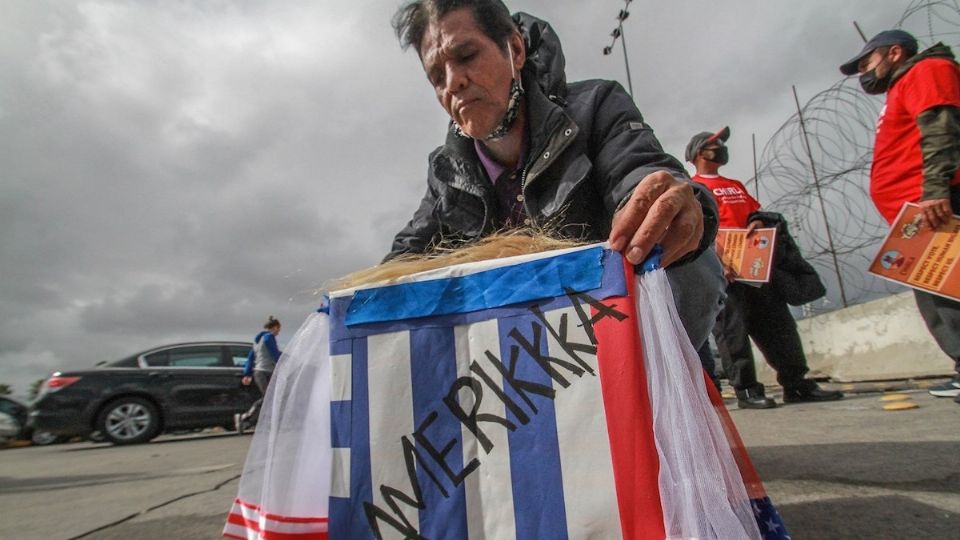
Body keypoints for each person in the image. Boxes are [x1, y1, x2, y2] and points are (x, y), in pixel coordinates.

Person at [386, 0, 727, 352]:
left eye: (467, 55)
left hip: (614, 336)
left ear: (515, 49)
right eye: (437, 77)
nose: (454, 82)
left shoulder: (596, 106)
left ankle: (662, 383)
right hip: (516, 366)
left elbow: (637, 171)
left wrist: (667, 201)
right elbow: (403, 261)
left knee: (689, 255)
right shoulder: (446, 170)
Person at [840, 30, 960, 405]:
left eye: (867, 61)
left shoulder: (927, 71)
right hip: (917, 210)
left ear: (894, 52)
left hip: (936, 203)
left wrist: (936, 189)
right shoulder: (902, 86)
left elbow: (941, 129)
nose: (865, 70)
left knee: (946, 292)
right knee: (938, 293)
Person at [687, 127, 844, 408]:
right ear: (700, 153)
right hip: (726, 273)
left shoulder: (735, 184)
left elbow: (753, 212)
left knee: (778, 326)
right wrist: (717, 260)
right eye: (715, 144)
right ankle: (747, 389)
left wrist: (757, 222)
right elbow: (695, 229)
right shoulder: (693, 187)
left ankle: (796, 383)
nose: (721, 148)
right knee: (732, 332)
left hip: (757, 268)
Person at [234, 315, 283, 433]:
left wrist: (247, 374)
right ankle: (245, 417)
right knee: (269, 398)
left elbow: (251, 358)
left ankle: (255, 421)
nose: (279, 332)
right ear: (275, 327)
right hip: (265, 372)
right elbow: (275, 354)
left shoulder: (257, 341)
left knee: (269, 398)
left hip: (259, 372)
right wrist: (284, 362)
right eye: (279, 329)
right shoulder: (269, 337)